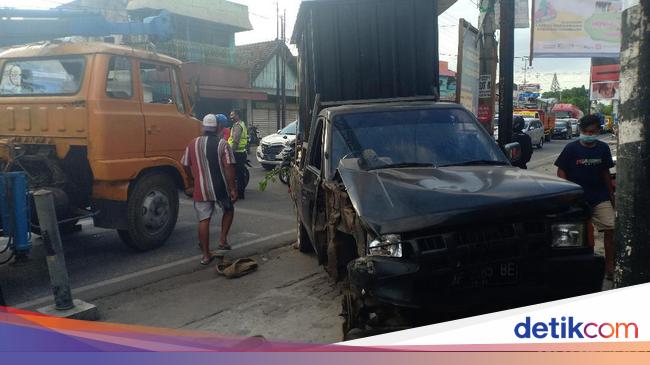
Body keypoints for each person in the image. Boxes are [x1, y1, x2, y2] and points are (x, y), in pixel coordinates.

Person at [555, 114, 615, 280]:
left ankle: (610, 265)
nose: (589, 135)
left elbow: (605, 172)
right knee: (577, 234)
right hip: (577, 199)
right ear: (581, 131)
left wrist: (611, 195)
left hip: (599, 196)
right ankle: (582, 266)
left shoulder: (603, 148)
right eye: (586, 131)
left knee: (611, 227)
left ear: (598, 131)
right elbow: (561, 171)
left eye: (592, 132)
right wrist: (566, 194)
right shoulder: (571, 149)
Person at [182, 114, 238, 265]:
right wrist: (233, 188)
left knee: (204, 220)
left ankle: (206, 255)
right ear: (218, 128)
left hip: (200, 188)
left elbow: (185, 164)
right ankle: (222, 239)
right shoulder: (222, 144)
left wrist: (191, 181)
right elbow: (229, 167)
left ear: (203, 128)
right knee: (229, 209)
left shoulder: (192, 144)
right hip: (220, 187)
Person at [228, 109, 249, 199]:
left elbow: (235, 141)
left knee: (238, 174)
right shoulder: (242, 124)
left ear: (237, 116)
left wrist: (231, 153)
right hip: (241, 152)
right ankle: (240, 192)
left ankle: (240, 194)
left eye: (232, 115)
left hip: (237, 153)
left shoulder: (237, 126)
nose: (231, 117)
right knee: (239, 174)